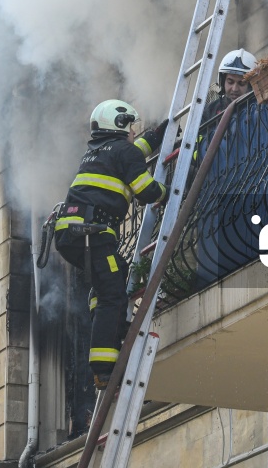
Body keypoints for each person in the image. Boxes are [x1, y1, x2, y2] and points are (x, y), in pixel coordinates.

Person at [52, 99, 167, 393]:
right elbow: (145, 191)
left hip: (72, 235)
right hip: (93, 234)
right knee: (113, 294)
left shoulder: (96, 153)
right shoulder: (123, 151)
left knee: (113, 276)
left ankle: (106, 322)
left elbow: (130, 153)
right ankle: (104, 369)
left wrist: (155, 137)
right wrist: (169, 190)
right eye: (131, 127)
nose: (133, 133)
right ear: (119, 125)